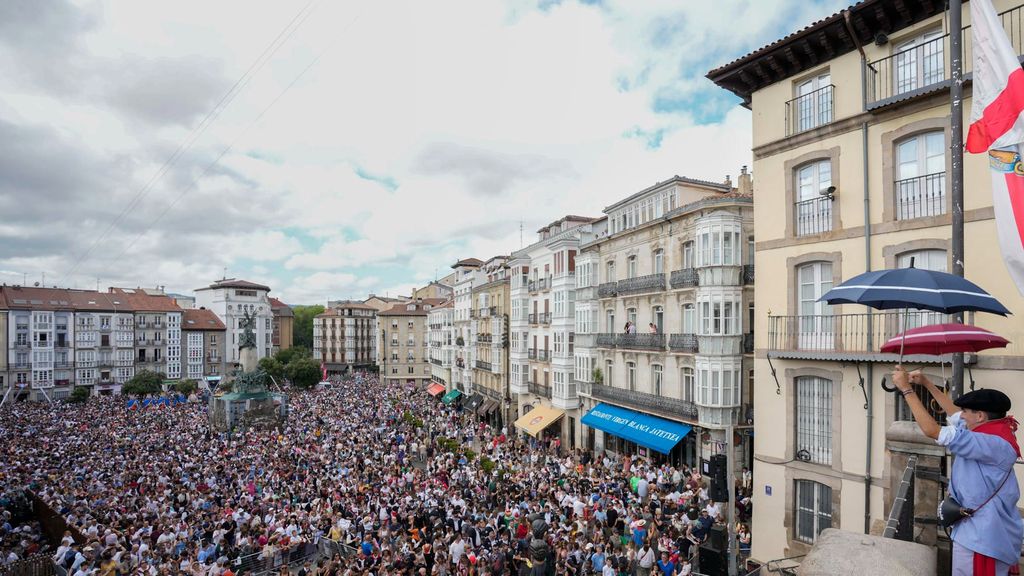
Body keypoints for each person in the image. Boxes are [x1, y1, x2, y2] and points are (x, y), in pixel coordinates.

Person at [893, 367, 1023, 575]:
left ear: (980, 416)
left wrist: (907, 390)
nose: (962, 416)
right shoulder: (993, 429)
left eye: (967, 412)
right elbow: (954, 415)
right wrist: (926, 383)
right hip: (981, 529)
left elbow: (932, 431)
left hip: (980, 537)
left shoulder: (989, 442)